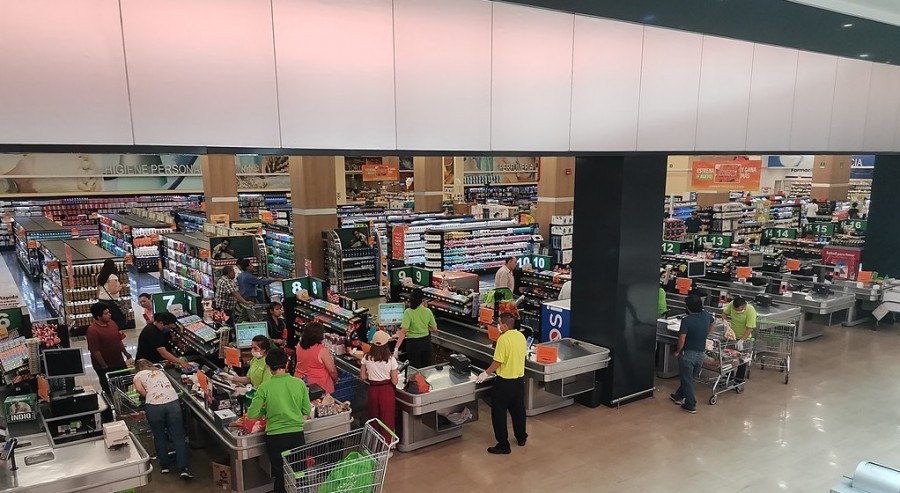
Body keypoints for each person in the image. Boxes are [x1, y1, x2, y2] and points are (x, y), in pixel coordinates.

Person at [247, 348, 311, 493]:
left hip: (275, 437)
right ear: (286, 363)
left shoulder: (264, 388)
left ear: (269, 367)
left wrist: (266, 410)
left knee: (281, 473)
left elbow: (252, 414)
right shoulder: (299, 383)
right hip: (296, 434)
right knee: (299, 472)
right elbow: (306, 410)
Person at [476, 312, 527, 454]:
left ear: (505, 325)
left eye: (499, 323)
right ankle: (521, 437)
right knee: (518, 411)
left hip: (505, 383)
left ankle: (503, 444)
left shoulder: (503, 340)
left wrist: (485, 373)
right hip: (519, 381)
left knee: (499, 413)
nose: (497, 326)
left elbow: (498, 361)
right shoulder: (521, 336)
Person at [133, 359, 192, 479]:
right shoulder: (159, 371)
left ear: (137, 368)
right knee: (178, 436)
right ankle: (184, 468)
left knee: (159, 435)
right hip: (172, 402)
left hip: (154, 406)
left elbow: (139, 389)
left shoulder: (137, 375)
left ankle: (165, 466)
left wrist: (149, 395)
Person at [670, 295, 715, 414]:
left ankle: (691, 404)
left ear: (688, 307)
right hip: (700, 354)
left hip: (688, 354)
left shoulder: (687, 320)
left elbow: (682, 340)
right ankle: (678, 396)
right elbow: (713, 322)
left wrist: (678, 351)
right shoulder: (706, 315)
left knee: (687, 379)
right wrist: (705, 334)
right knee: (690, 379)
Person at [360, 330, 398, 443]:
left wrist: (371, 374)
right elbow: (395, 381)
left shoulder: (366, 358)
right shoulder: (391, 359)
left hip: (373, 390)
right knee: (387, 420)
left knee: (374, 418)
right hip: (386, 390)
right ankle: (385, 448)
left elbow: (362, 376)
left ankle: (374, 445)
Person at [86, 302, 131, 396]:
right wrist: (104, 365)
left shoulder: (112, 323)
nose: (109, 314)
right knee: (109, 389)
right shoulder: (92, 330)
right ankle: (112, 406)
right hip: (105, 366)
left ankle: (125, 402)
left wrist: (126, 353)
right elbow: (95, 350)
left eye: (109, 312)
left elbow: (118, 340)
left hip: (119, 361)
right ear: (98, 317)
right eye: (106, 314)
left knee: (125, 383)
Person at [395, 288, 437, 368]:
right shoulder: (428, 311)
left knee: (414, 369)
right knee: (426, 369)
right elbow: (434, 329)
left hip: (413, 344)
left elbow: (403, 331)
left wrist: (396, 347)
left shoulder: (408, 312)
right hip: (426, 342)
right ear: (422, 300)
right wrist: (424, 328)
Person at [294, 322, 338, 394]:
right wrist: (336, 379)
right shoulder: (322, 350)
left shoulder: (299, 345)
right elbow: (332, 370)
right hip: (318, 386)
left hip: (299, 380)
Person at [722, 296, 757, 382]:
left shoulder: (750, 311)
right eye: (735, 310)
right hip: (731, 337)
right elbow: (724, 314)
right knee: (728, 358)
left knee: (741, 360)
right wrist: (725, 323)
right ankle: (728, 377)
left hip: (744, 339)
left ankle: (738, 380)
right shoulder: (732, 304)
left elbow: (750, 328)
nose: (737, 312)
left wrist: (742, 340)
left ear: (744, 306)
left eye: (739, 310)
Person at [96, 259, 126, 329]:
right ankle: (114, 332)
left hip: (101, 300)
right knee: (119, 320)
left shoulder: (99, 275)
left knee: (105, 320)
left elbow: (98, 289)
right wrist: (121, 286)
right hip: (110, 302)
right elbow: (112, 291)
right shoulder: (112, 277)